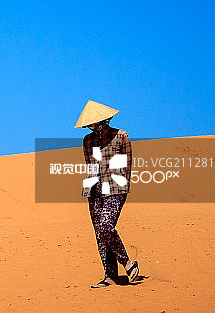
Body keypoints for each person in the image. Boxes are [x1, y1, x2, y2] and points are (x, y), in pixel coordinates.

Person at [74, 100, 140, 289]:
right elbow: (90, 166)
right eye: (88, 125)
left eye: (93, 124)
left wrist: (122, 187)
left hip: (116, 190)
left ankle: (127, 263)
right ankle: (110, 276)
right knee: (100, 235)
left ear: (104, 120)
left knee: (105, 227)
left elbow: (128, 165)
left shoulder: (121, 136)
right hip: (95, 191)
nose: (90, 127)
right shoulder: (87, 140)